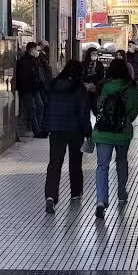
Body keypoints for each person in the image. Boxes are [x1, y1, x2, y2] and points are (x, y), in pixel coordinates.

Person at [92, 58, 138, 218]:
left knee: (102, 166)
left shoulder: (103, 85)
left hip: (103, 132)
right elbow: (134, 111)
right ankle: (121, 191)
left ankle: (101, 200)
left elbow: (97, 107)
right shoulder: (131, 88)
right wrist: (124, 120)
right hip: (122, 132)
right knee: (121, 161)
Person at [44, 60, 91, 213]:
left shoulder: (53, 85)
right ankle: (75, 193)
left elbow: (48, 107)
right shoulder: (79, 89)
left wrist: (47, 126)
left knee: (54, 163)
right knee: (75, 163)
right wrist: (88, 131)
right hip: (75, 131)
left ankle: (51, 196)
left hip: (56, 130)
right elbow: (84, 113)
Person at [16, 42, 46, 137]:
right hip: (28, 90)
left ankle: (40, 128)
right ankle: (36, 131)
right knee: (33, 109)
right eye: (36, 50)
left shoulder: (35, 60)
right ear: (31, 50)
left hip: (35, 89)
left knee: (40, 107)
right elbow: (24, 77)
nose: (38, 52)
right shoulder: (24, 62)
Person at [81, 46, 106, 116]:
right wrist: (86, 84)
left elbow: (101, 76)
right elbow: (81, 75)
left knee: (95, 107)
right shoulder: (83, 64)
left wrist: (95, 84)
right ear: (89, 54)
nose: (95, 55)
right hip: (85, 88)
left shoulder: (99, 64)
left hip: (95, 88)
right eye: (93, 53)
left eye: (96, 53)